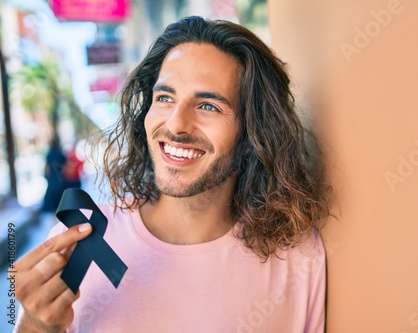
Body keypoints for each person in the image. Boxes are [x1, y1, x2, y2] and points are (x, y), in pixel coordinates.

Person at [13, 16, 332, 332]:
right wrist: (35, 325)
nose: (176, 124)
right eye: (164, 98)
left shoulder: (299, 261)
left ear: (253, 131)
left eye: (208, 105)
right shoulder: (78, 245)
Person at [41, 134, 67, 212]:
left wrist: (47, 177)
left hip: (52, 184)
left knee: (53, 209)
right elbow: (65, 169)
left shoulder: (49, 155)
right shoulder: (61, 154)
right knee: (61, 208)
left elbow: (47, 169)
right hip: (61, 183)